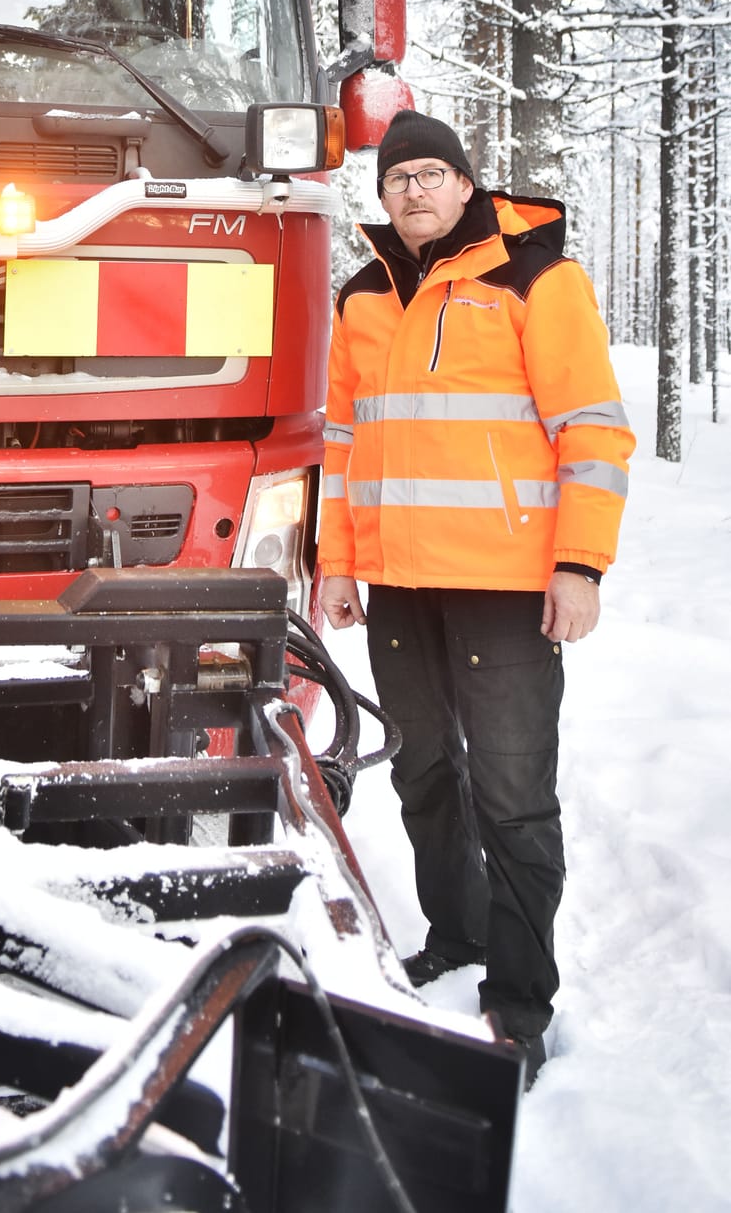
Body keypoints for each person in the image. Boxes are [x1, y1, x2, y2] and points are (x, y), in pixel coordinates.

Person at [317, 109, 633, 1082]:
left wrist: (578, 563)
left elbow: (592, 430)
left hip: (506, 583)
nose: (412, 189)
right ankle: (456, 935)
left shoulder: (535, 277)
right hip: (401, 586)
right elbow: (342, 447)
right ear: (382, 197)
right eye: (396, 176)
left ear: (465, 183)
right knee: (421, 774)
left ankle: (520, 999)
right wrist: (336, 563)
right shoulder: (362, 298)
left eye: (430, 173)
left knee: (512, 795)